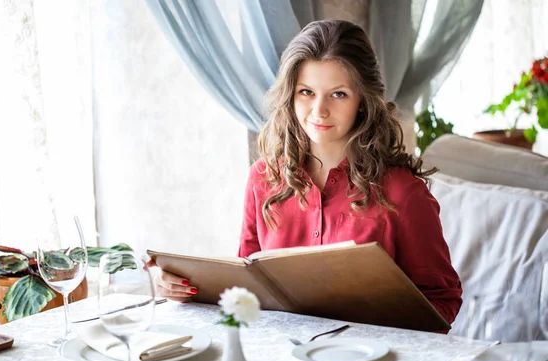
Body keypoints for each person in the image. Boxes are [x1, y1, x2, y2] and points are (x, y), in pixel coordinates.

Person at [149, 20, 463, 325]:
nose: (319, 110)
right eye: (306, 92)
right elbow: (248, 289)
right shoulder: (262, 179)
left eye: (338, 94)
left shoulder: (401, 192)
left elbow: (442, 300)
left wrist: (377, 328)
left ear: (363, 102)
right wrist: (186, 289)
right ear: (290, 94)